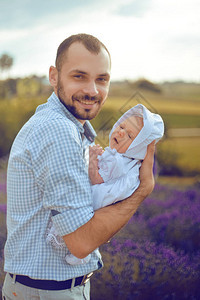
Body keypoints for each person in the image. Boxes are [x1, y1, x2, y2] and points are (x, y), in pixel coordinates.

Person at [3, 33, 156, 300]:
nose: (92, 90)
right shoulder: (59, 131)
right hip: (49, 291)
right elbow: (83, 241)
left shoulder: (72, 129)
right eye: (79, 76)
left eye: (101, 79)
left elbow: (90, 224)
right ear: (54, 76)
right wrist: (142, 191)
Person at [46, 104, 164, 266]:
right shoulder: (123, 160)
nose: (121, 132)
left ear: (138, 148)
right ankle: (81, 252)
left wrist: (93, 160)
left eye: (129, 136)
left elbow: (96, 179)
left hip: (100, 197)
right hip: (107, 198)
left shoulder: (119, 162)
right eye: (121, 126)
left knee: (77, 213)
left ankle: (79, 252)